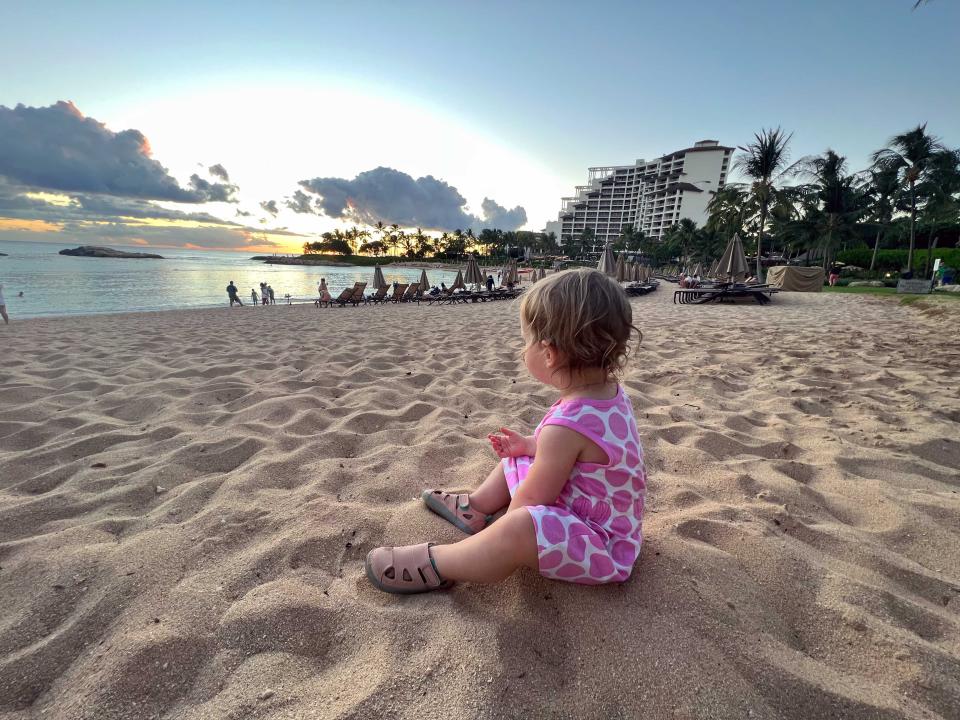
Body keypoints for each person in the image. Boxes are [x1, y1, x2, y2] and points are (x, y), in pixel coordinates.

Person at [365, 268, 645, 594]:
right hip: (604, 518)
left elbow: (531, 499)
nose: (523, 349)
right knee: (518, 457)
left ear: (550, 353)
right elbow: (581, 454)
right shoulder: (607, 394)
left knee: (519, 526)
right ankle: (477, 506)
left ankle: (442, 562)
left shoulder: (565, 426)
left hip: (602, 547)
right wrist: (529, 445)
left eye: (526, 341)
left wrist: (499, 535)